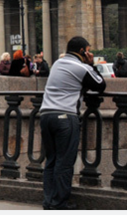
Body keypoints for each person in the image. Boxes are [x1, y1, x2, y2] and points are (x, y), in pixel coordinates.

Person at [39, 36, 106, 210]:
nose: (90, 53)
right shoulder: (81, 67)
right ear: (83, 51)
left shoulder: (56, 64)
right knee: (64, 161)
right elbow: (100, 84)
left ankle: (49, 201)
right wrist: (91, 65)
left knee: (51, 160)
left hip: (46, 116)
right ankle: (59, 203)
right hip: (65, 117)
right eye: (88, 50)